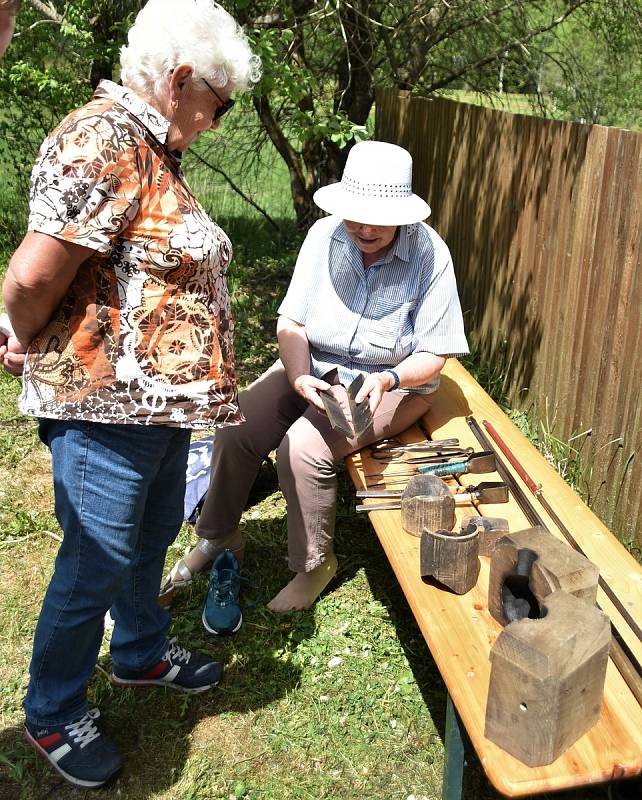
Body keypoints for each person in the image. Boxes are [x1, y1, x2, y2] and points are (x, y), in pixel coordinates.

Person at [0, 0, 260, 788]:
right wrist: (21, 333)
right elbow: (33, 276)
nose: (215, 124)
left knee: (147, 540)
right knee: (97, 559)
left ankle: (140, 653)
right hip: (104, 407)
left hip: (157, 406)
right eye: (216, 107)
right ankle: (52, 710)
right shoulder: (102, 139)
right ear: (180, 80)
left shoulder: (153, 147)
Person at [160, 140, 469, 624]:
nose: (363, 227)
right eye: (355, 214)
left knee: (302, 446)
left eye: (377, 217)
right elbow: (292, 324)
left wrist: (390, 377)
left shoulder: (432, 255)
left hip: (389, 383)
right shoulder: (325, 235)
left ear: (403, 214)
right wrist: (300, 376)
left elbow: (438, 351)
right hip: (315, 366)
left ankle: (315, 564)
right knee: (237, 423)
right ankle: (219, 535)